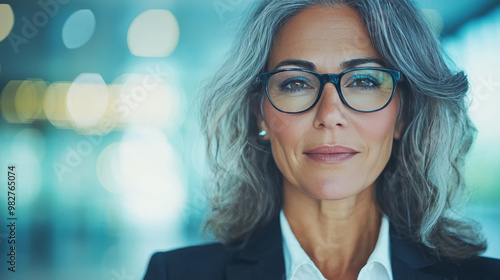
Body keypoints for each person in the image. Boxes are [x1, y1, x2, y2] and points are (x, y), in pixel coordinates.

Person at [143, 0, 500, 279]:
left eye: (364, 81)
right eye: (296, 83)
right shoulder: (173, 275)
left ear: (402, 115)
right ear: (260, 114)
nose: (329, 114)